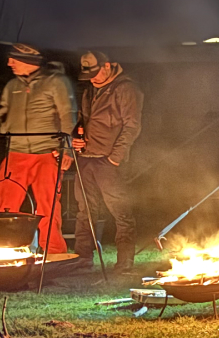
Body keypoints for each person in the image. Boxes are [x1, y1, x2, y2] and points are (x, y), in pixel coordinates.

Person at [0, 43, 76, 254]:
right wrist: (8, 131)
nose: (9, 63)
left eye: (14, 59)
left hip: (46, 153)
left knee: (48, 206)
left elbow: (68, 115)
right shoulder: (12, 86)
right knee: (6, 204)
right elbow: (3, 112)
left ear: (28, 61)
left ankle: (54, 252)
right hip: (15, 153)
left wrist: (66, 149)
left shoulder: (56, 83)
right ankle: (5, 250)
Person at [69, 51, 143, 273]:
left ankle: (125, 261)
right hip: (86, 158)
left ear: (108, 66)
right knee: (85, 211)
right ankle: (82, 259)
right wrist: (77, 139)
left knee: (120, 210)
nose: (92, 78)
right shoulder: (90, 90)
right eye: (88, 74)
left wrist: (115, 158)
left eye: (95, 72)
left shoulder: (126, 89)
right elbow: (82, 121)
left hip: (109, 162)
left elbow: (132, 126)